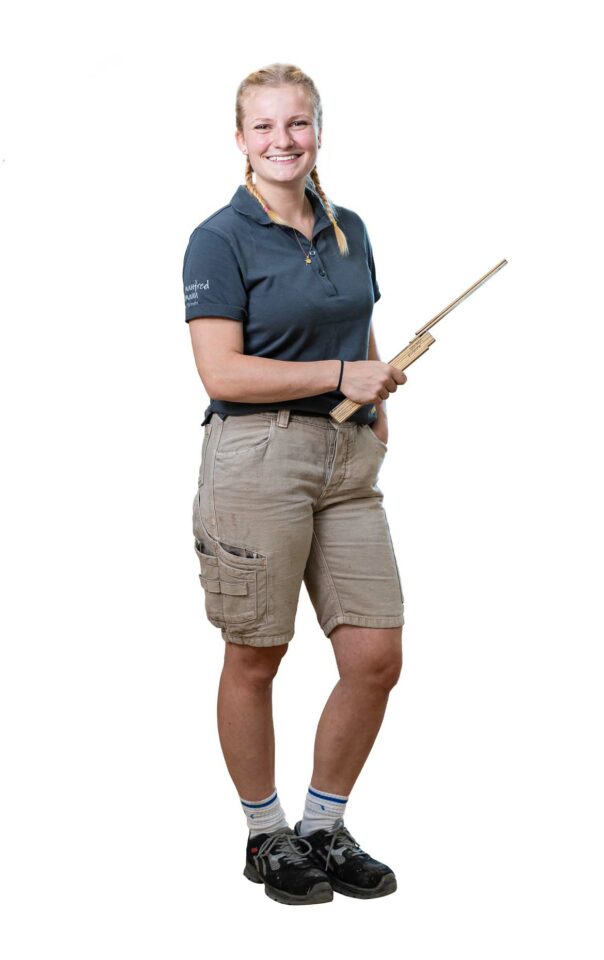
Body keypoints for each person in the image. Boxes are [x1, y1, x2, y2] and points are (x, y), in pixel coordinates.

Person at [182, 63, 407, 906]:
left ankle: (323, 827)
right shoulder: (219, 238)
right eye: (266, 126)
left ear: (318, 130)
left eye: (298, 123)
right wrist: (342, 374)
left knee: (375, 656)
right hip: (256, 456)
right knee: (257, 653)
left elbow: (360, 322)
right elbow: (222, 372)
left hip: (347, 460)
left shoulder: (349, 228)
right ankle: (264, 834)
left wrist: (374, 401)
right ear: (241, 140)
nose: (284, 140)